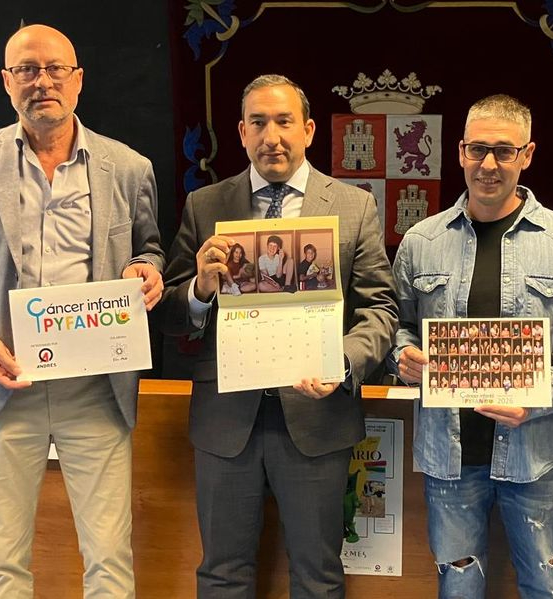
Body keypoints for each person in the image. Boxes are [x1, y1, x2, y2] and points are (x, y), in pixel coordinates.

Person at [0, 25, 164, 598]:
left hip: (96, 392)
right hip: (5, 387)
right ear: (7, 83)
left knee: (109, 561)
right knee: (2, 564)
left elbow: (148, 250)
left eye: (55, 69)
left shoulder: (128, 167)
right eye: (27, 70)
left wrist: (146, 272)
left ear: (78, 79)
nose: (42, 81)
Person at [158, 74, 397, 599]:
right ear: (241, 133)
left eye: (285, 121)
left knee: (318, 574)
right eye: (259, 123)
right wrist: (198, 288)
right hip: (226, 422)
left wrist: (343, 360)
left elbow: (380, 309)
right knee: (221, 573)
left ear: (309, 130)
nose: (273, 136)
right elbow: (171, 316)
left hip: (317, 419)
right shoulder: (206, 206)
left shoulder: (354, 206)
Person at [390, 95, 553, 599]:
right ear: (460, 151)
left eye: (503, 152)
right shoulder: (421, 242)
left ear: (527, 155)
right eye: (478, 150)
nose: (488, 165)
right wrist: (401, 356)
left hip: (534, 455)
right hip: (449, 455)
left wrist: (540, 395)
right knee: (459, 586)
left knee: (544, 584)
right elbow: (397, 325)